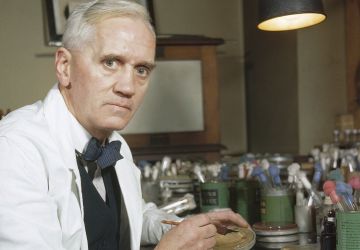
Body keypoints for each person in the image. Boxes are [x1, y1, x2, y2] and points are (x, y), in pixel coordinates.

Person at [0, 0, 248, 249]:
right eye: (110, 62)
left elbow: (130, 216)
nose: (128, 87)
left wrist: (188, 227)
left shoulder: (115, 143)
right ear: (65, 67)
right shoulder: (15, 150)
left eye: (141, 69)